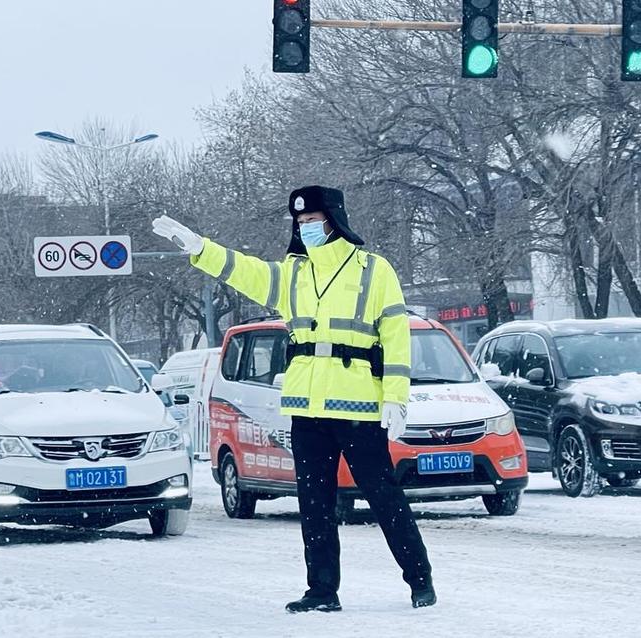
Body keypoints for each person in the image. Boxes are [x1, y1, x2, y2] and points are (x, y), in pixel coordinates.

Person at [152, 185, 435, 612]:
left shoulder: (374, 271)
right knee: (315, 503)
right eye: (300, 224)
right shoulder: (293, 274)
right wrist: (199, 248)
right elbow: (242, 270)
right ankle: (322, 591)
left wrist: (396, 398)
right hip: (305, 408)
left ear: (334, 220)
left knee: (383, 496)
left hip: (359, 405)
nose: (306, 230)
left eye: (313, 222)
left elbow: (396, 338)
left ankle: (419, 579)